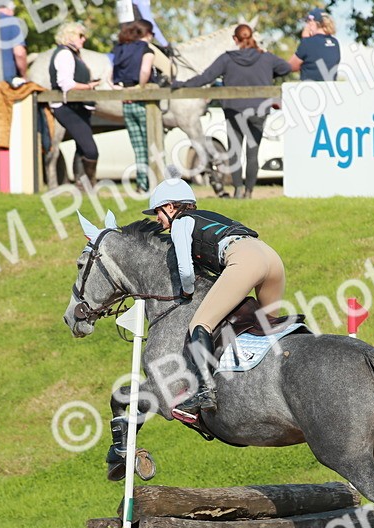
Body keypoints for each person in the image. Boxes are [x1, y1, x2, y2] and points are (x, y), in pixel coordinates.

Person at [142, 176, 286, 413]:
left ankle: (205, 390)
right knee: (268, 328)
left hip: (245, 259)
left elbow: (186, 271)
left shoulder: (180, 223)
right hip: (271, 257)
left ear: (170, 207)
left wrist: (187, 291)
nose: (156, 218)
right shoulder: (207, 216)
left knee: (200, 323)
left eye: (157, 211)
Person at [175, 24, 291, 199]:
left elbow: (205, 78)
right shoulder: (266, 57)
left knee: (234, 152)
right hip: (258, 111)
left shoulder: (227, 58)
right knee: (253, 152)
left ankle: (237, 190)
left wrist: (181, 85)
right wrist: (267, 74)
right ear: (252, 37)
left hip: (233, 111)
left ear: (235, 39)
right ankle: (249, 192)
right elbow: (286, 68)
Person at [49, 21, 101, 187]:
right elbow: (66, 84)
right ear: (70, 36)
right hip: (67, 106)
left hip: (78, 106)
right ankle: (87, 185)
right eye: (80, 36)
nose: (84, 39)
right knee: (91, 150)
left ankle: (82, 184)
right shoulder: (65, 54)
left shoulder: (74, 54)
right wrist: (89, 86)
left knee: (82, 147)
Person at [112, 20, 157, 191]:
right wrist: (139, 88)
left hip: (126, 102)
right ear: (146, 33)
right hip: (143, 102)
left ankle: (141, 184)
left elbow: (111, 76)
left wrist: (123, 89)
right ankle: (154, 183)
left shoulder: (120, 48)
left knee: (138, 147)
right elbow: (145, 71)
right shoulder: (146, 49)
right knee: (151, 144)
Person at [289, 8, 340, 81]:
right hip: (330, 90)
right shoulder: (335, 43)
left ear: (312, 23)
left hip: (310, 90)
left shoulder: (308, 42)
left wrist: (305, 39)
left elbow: (290, 67)